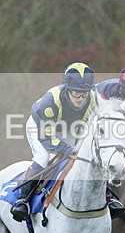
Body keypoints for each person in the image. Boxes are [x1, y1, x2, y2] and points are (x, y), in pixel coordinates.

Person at [10, 62, 97, 221]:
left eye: (84, 94)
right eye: (76, 93)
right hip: (41, 128)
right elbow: (47, 138)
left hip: (69, 128)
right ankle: (22, 200)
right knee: (43, 158)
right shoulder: (51, 100)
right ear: (67, 89)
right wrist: (68, 150)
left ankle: (107, 198)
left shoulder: (92, 99)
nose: (80, 98)